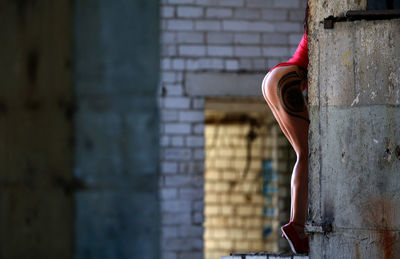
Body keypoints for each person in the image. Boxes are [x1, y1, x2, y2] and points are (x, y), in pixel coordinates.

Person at [261, 3, 310, 254]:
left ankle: (297, 224)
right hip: (287, 77)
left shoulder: (312, 24)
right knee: (305, 154)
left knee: (301, 153)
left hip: (275, 76)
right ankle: (297, 225)